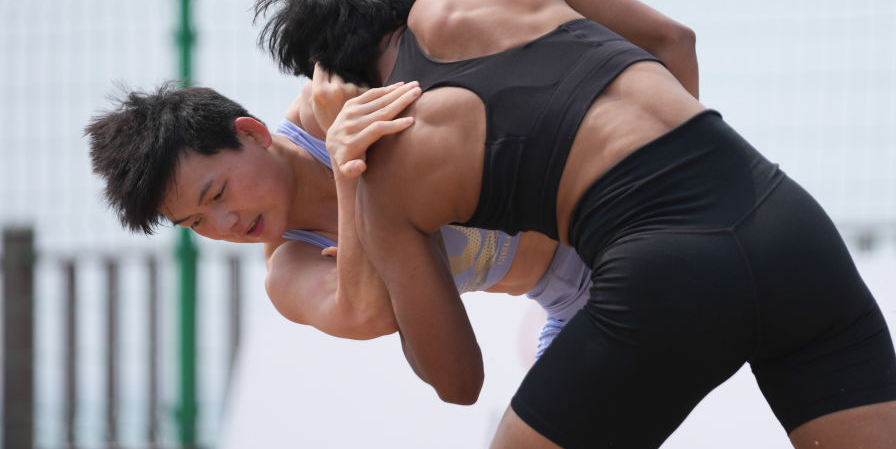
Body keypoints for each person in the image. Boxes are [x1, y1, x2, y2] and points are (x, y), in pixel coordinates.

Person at [255, 0, 896, 449]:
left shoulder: (391, 167)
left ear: (332, 81)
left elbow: (457, 379)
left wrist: (355, 173)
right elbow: (675, 40)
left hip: (666, 276)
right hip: (789, 226)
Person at [85, 75, 589, 356]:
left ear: (252, 133)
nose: (224, 224)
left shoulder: (327, 102)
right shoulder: (291, 269)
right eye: (196, 223)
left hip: (604, 209)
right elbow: (371, 316)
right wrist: (350, 173)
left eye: (217, 194)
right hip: (574, 303)